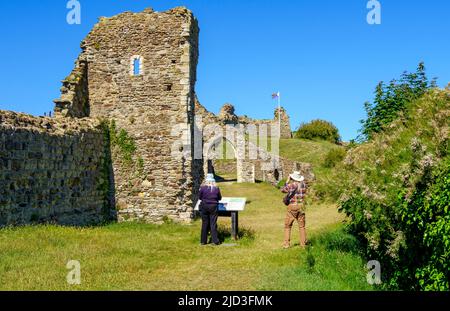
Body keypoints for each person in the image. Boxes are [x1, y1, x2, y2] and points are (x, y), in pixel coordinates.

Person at [281, 171, 308, 249]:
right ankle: (303, 244)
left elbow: (283, 190)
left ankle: (286, 244)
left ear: (293, 177)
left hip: (292, 206)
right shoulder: (304, 185)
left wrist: (287, 181)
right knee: (302, 226)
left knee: (287, 226)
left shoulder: (292, 185)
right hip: (301, 206)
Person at [199, 174, 222, 246]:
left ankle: (203, 241)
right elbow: (219, 198)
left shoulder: (202, 188)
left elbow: (200, 197)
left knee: (204, 223)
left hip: (204, 206)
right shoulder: (216, 188)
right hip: (213, 206)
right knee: (213, 223)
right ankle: (215, 241)